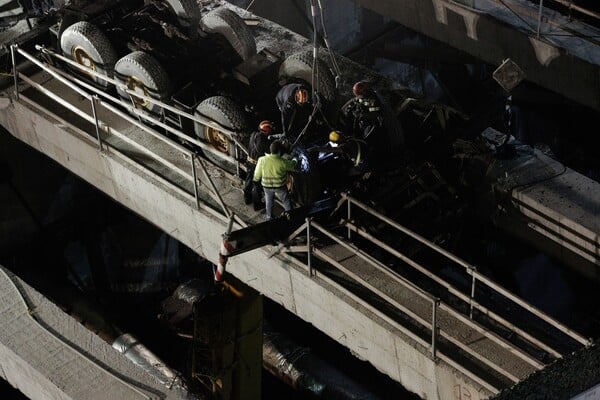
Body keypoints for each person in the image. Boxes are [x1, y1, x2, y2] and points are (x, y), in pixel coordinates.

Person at [253, 140, 297, 220]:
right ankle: (291, 216)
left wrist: (255, 181)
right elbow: (292, 166)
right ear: (279, 151)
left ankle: (269, 217)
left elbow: (257, 174)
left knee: (269, 201)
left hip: (266, 186)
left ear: (270, 150)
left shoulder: (262, 160)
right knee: (286, 201)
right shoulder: (283, 162)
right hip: (280, 187)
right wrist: (295, 159)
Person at [244, 120, 274, 206]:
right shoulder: (263, 141)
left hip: (249, 161)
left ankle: (247, 198)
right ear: (267, 130)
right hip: (256, 165)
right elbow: (270, 150)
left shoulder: (254, 134)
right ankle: (257, 205)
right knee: (257, 185)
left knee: (248, 181)